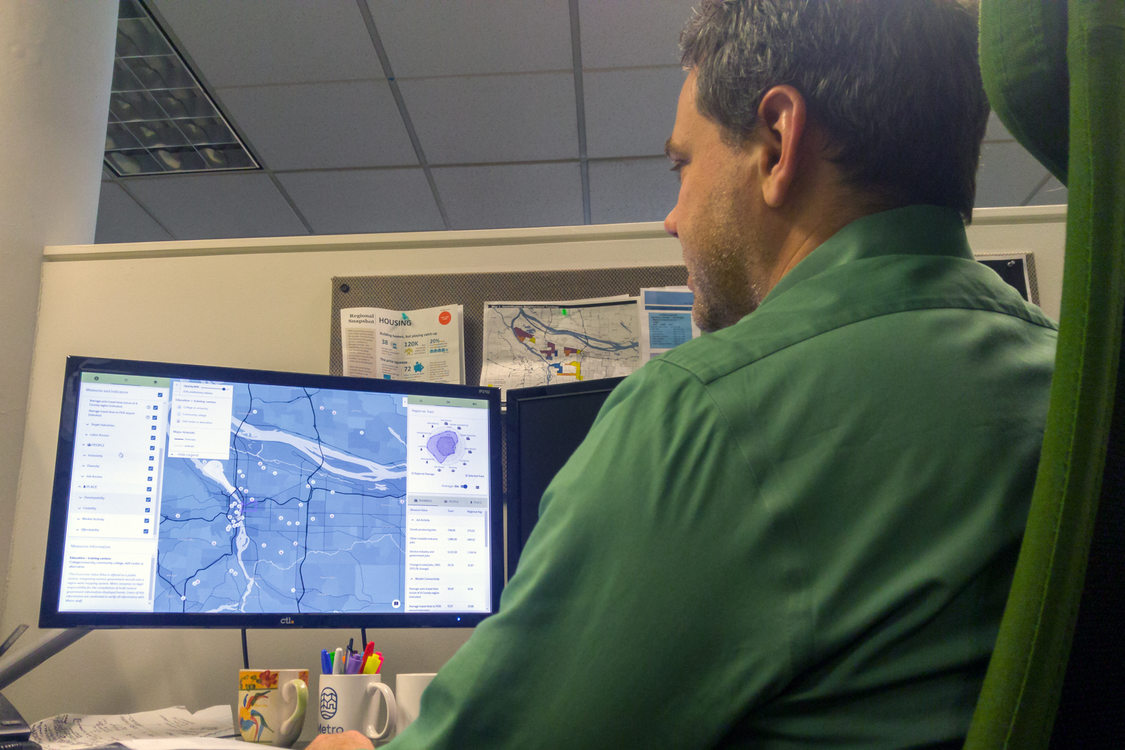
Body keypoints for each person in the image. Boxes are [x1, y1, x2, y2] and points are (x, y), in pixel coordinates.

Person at [310, 0, 1057, 747]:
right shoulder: (1072, 384)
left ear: (775, 140)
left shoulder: (709, 417)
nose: (672, 216)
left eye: (683, 165)